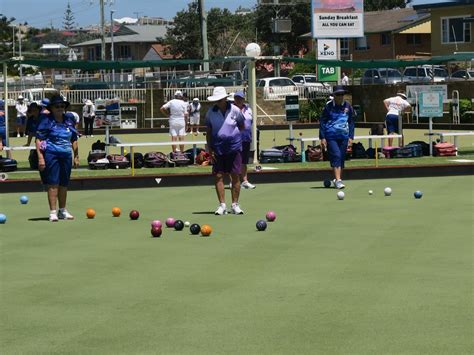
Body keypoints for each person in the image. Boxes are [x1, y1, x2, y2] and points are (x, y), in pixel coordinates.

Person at [36, 95, 80, 222]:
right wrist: (40, 158)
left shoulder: (69, 119)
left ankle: (62, 210)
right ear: (52, 108)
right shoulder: (46, 121)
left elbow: (74, 139)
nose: (60, 108)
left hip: (66, 155)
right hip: (52, 154)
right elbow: (39, 140)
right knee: (53, 183)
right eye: (57, 106)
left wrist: (76, 155)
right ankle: (53, 212)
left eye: (62, 106)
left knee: (64, 183)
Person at [205, 86, 245, 215]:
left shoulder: (235, 110)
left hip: (234, 147)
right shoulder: (210, 112)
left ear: (224, 98)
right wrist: (209, 148)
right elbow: (209, 131)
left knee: (235, 175)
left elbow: (242, 126)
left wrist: (232, 136)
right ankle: (222, 205)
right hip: (217, 148)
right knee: (218, 176)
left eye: (219, 99)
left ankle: (235, 205)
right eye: (215, 100)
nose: (217, 102)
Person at [319, 85, 355, 189]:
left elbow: (351, 122)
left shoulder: (348, 106)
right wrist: (322, 137)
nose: (340, 96)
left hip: (344, 136)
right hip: (331, 136)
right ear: (334, 95)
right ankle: (339, 180)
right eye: (338, 94)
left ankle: (337, 179)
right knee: (337, 155)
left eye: (342, 94)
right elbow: (322, 122)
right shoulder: (328, 107)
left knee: (342, 158)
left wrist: (351, 137)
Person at [231, 90, 256, 189]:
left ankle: (245, 181)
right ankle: (233, 181)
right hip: (234, 139)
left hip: (246, 138)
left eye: (240, 98)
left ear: (243, 99)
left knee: (244, 161)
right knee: (233, 161)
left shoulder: (249, 110)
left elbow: (251, 122)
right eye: (237, 98)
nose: (238, 100)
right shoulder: (231, 109)